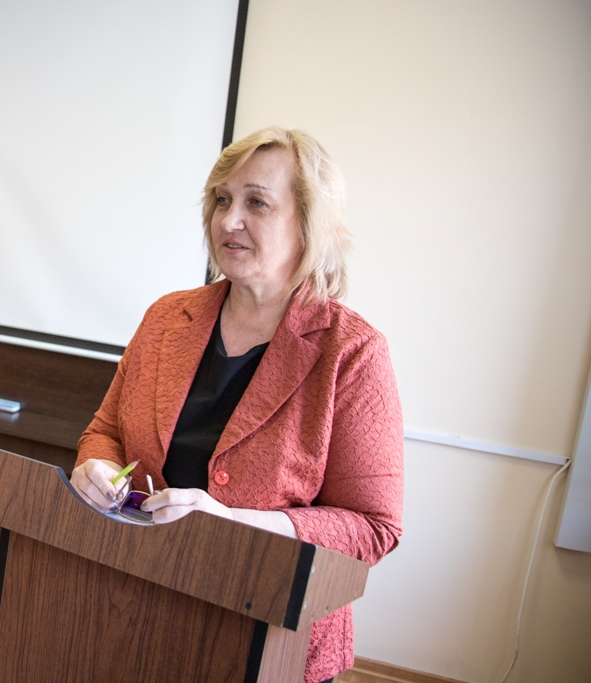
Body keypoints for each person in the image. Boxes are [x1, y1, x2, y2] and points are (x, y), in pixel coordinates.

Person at [71, 126, 404, 683]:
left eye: (257, 203)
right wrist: (97, 466)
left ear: (309, 223)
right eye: (221, 200)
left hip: (269, 636)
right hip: (136, 609)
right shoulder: (166, 317)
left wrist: (234, 523)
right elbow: (105, 431)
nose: (229, 221)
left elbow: (373, 527)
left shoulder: (352, 352)